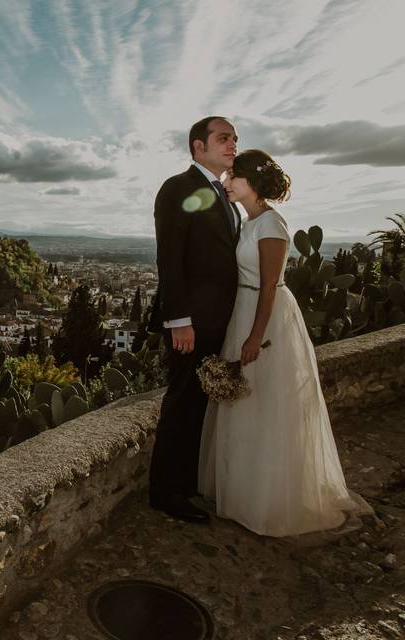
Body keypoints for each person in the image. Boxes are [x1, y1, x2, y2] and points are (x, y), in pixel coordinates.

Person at [198, 150, 367, 537]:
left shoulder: (271, 224)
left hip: (265, 314)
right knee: (244, 403)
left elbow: (270, 285)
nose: (225, 183)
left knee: (266, 401)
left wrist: (256, 336)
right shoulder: (249, 221)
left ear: (252, 182)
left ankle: (268, 500)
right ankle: (242, 494)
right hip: (244, 308)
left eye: (232, 178)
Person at [149, 116, 241, 523]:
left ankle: (185, 484)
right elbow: (170, 257)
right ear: (197, 146)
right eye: (224, 138)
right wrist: (179, 319)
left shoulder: (223, 193)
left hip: (219, 320)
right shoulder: (179, 187)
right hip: (191, 322)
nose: (232, 144)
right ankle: (164, 492)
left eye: (235, 139)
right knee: (181, 403)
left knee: (200, 405)